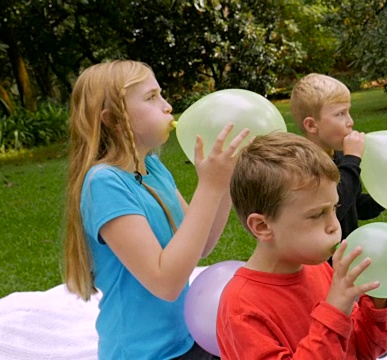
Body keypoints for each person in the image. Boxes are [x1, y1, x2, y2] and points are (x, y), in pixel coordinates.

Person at [63, 60, 249, 359]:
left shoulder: (152, 166)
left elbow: (200, 245)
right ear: (114, 120)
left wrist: (225, 182)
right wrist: (209, 186)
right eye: (151, 98)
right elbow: (166, 283)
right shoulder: (103, 183)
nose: (167, 106)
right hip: (143, 353)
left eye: (161, 95)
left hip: (186, 339)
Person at [290, 73, 387, 357]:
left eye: (349, 112)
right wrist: (353, 160)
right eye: (340, 114)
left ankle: (368, 309)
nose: (350, 121)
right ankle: (352, 313)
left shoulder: (339, 158)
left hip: (360, 264)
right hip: (332, 275)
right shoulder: (305, 168)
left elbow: (356, 206)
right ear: (311, 125)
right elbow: (337, 203)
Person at [216, 131, 387, 359]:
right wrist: (335, 311)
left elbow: (364, 351)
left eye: (334, 208)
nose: (334, 226)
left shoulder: (318, 267)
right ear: (262, 226)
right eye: (317, 214)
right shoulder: (241, 308)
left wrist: (378, 298)